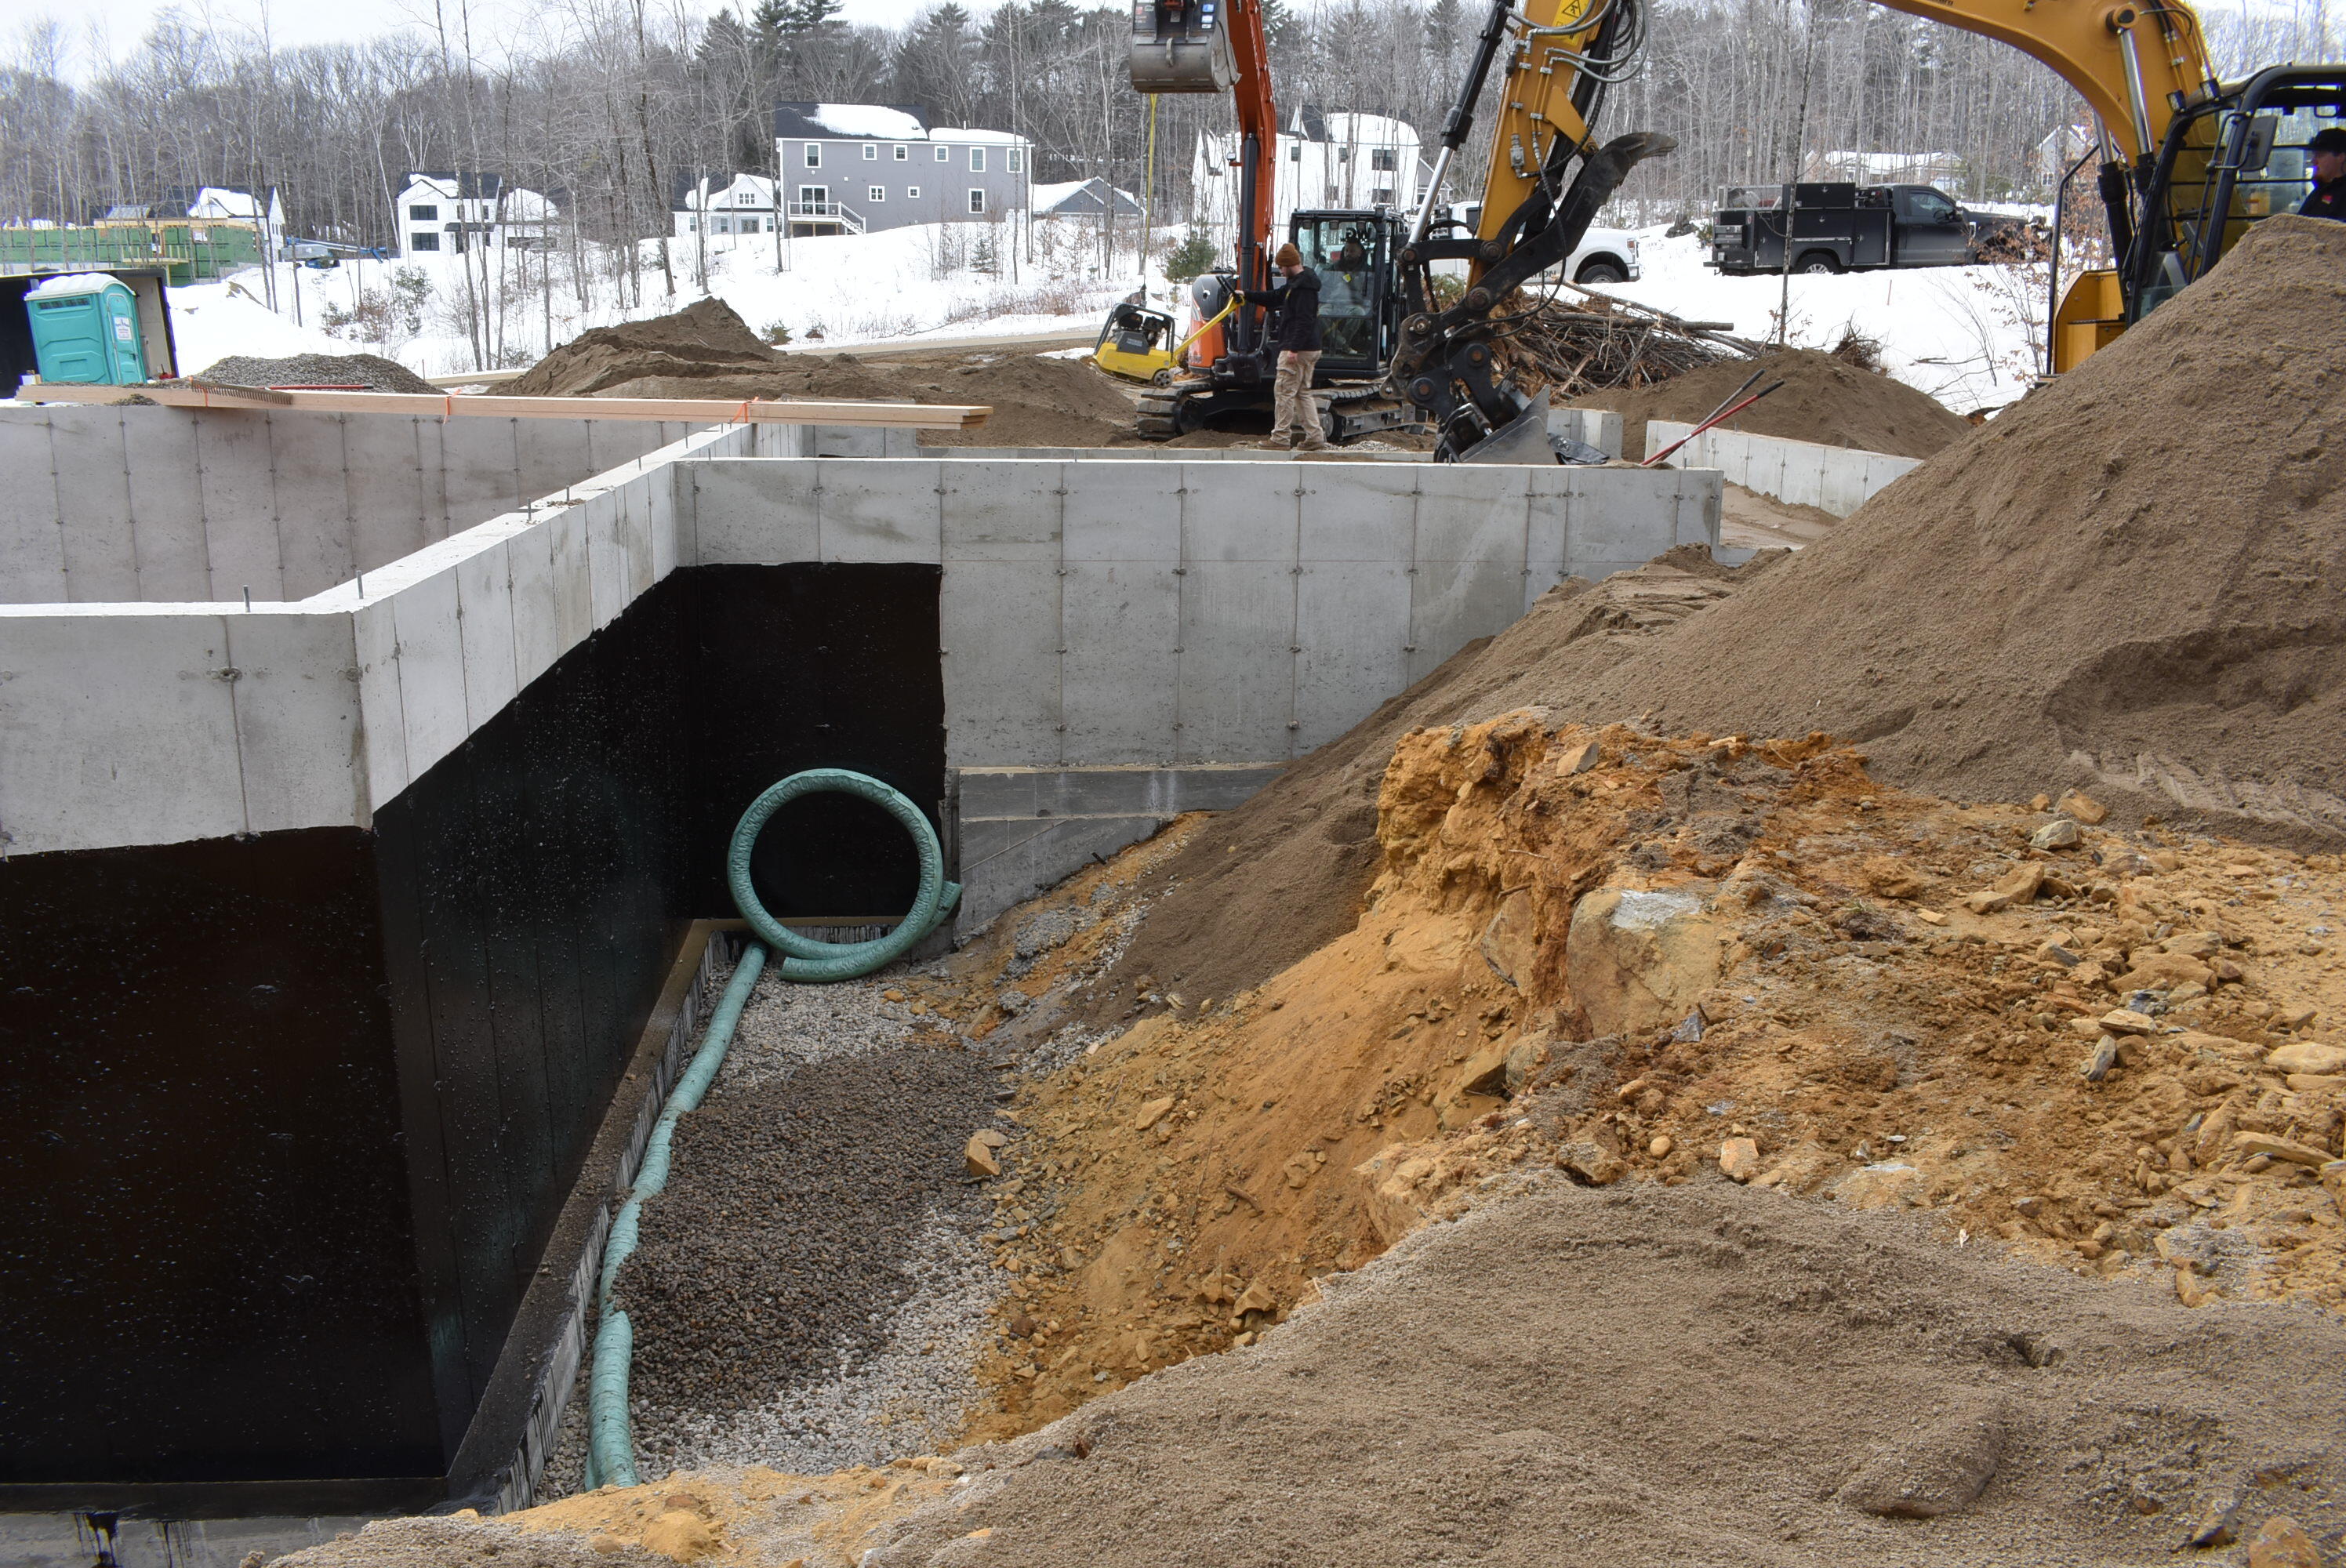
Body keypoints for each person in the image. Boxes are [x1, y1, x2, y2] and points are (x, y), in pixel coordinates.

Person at [1244, 241, 1330, 451]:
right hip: (1308, 348)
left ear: (1291, 264)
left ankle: (1280, 439)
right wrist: (1246, 295)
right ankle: (1315, 438)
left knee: (1284, 392)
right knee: (1302, 393)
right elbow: (1275, 298)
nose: (1281, 270)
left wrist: (1293, 348)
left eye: (1282, 267)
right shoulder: (1298, 283)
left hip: (1299, 350)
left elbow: (1304, 320)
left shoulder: (1303, 289)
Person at [2300, 127, 2346, 220]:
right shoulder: (2319, 192)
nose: (2314, 161)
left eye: (2320, 155)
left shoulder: (2342, 195)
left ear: (2341, 157)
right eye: (2314, 155)